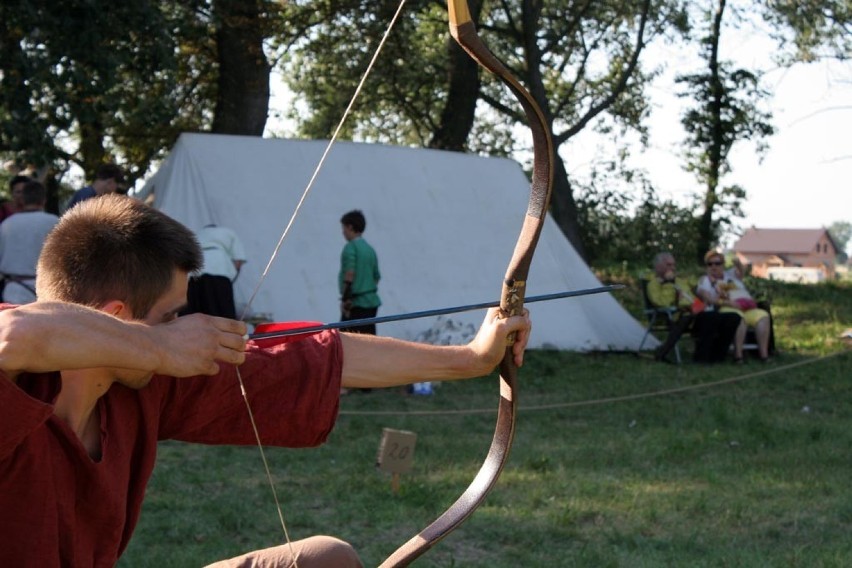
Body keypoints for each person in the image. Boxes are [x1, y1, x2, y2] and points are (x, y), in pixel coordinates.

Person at [0, 194, 531, 567]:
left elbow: (318, 358)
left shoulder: (146, 384)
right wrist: (158, 344)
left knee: (326, 561)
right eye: (171, 317)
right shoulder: (17, 384)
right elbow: (12, 333)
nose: (182, 330)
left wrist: (470, 359)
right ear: (117, 314)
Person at [646, 252, 740, 364]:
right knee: (711, 318)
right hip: (681, 317)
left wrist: (709, 279)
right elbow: (661, 303)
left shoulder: (680, 280)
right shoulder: (653, 284)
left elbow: (699, 282)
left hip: (700, 311)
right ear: (658, 266)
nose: (673, 268)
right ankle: (701, 358)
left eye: (673, 265)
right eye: (669, 265)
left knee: (734, 317)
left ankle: (718, 356)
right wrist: (670, 288)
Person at [696, 250, 772, 362]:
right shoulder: (705, 280)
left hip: (745, 306)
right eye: (710, 264)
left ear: (723, 265)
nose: (713, 266)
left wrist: (737, 262)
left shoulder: (730, 275)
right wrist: (727, 303)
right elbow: (707, 297)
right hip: (726, 307)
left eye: (717, 263)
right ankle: (738, 355)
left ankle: (764, 355)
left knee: (763, 316)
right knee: (737, 319)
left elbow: (742, 271)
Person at [0, 180, 59, 303]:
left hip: (13, 291)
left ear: (23, 200)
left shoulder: (7, 224)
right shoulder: (55, 222)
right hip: (47, 291)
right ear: (44, 200)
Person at [182, 223, 247, 319]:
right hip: (219, 270)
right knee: (221, 310)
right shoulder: (228, 233)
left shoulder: (195, 234)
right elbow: (238, 260)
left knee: (194, 312)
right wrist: (232, 275)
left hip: (194, 271)